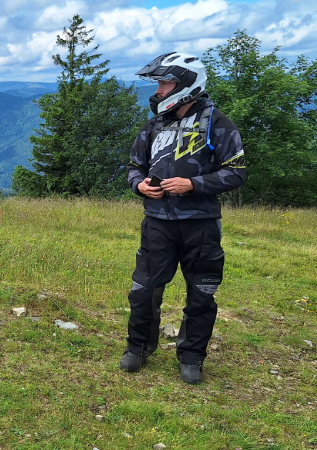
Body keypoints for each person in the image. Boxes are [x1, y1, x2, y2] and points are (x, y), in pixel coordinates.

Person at [120, 52, 246, 384]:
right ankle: (138, 348)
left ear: (187, 84)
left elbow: (236, 173)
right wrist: (140, 186)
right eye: (160, 83)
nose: (159, 90)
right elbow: (134, 166)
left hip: (201, 224)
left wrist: (194, 184)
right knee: (144, 288)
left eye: (165, 83)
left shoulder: (218, 124)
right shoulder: (154, 125)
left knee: (202, 291)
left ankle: (191, 356)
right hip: (158, 222)